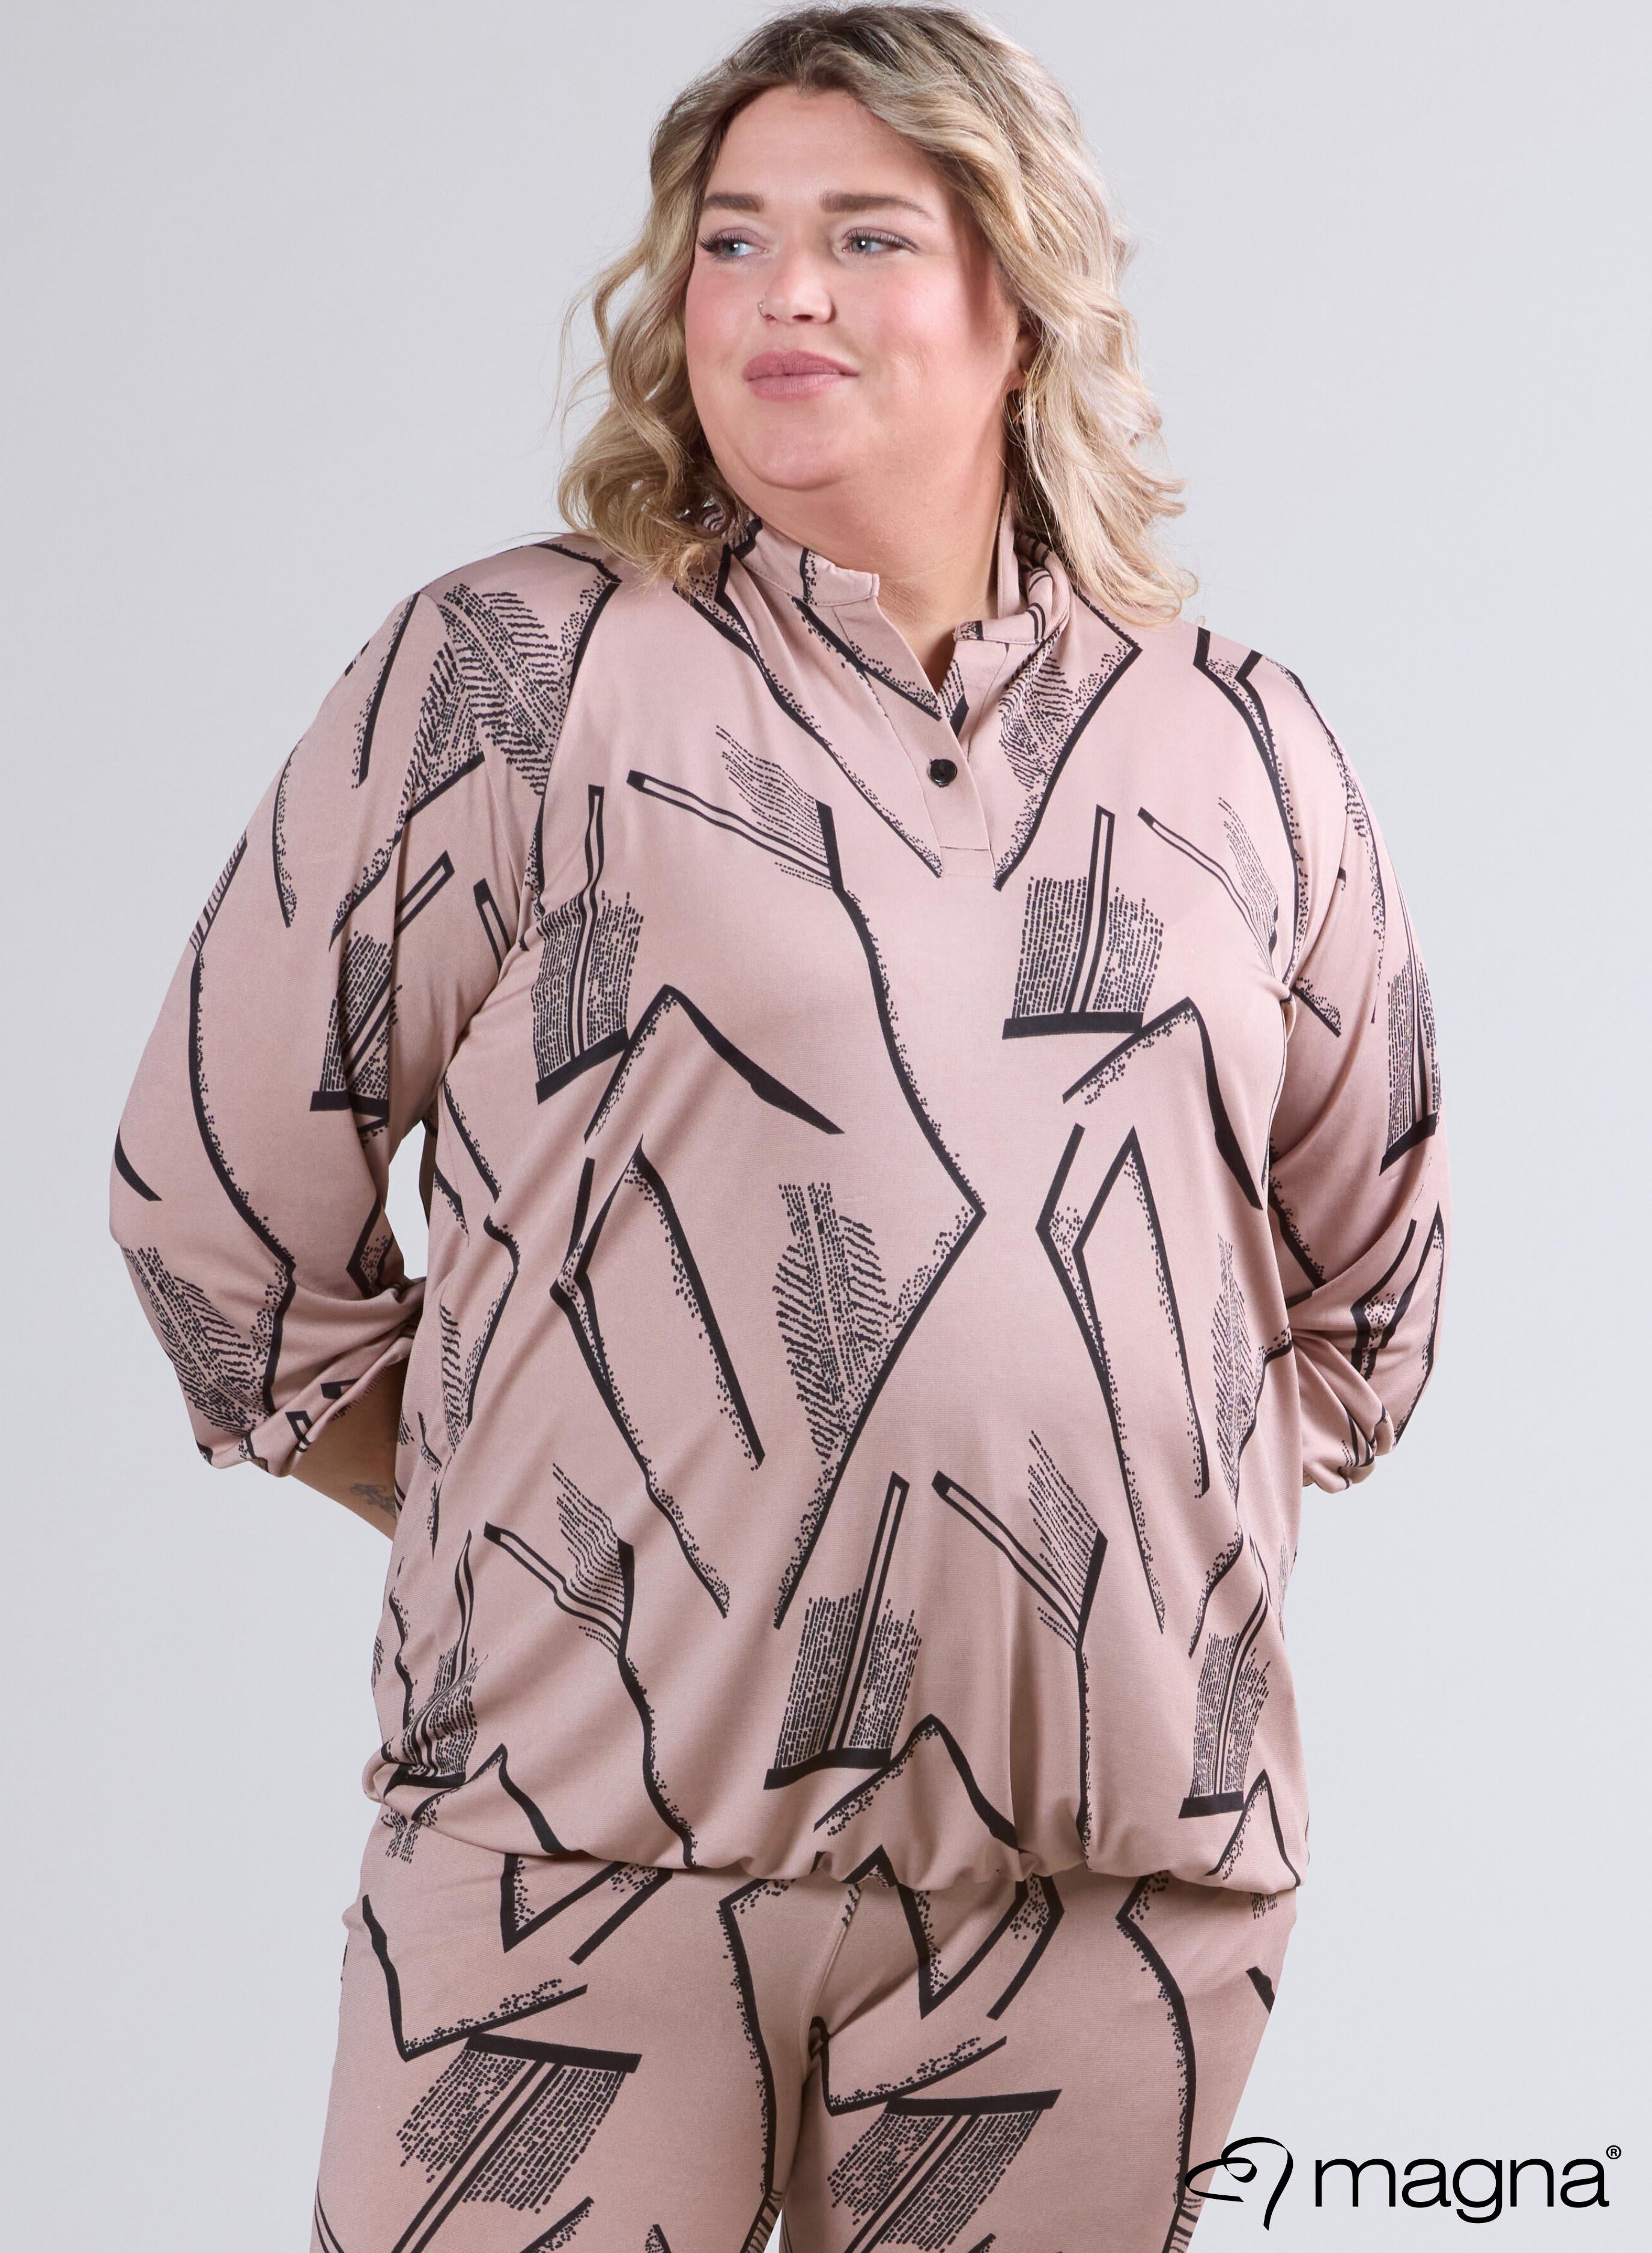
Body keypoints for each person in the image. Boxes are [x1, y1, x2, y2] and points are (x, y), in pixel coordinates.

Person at [107, 6, 1450, 2246]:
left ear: (1021, 297)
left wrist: (1121, 1552)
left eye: (864, 237)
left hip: (1104, 1920)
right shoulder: (520, 678)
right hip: (574, 1886)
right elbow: (219, 1219)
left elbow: (1367, 1291)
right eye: (731, 241)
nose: (781, 295)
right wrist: (565, 1533)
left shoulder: (1244, 749)